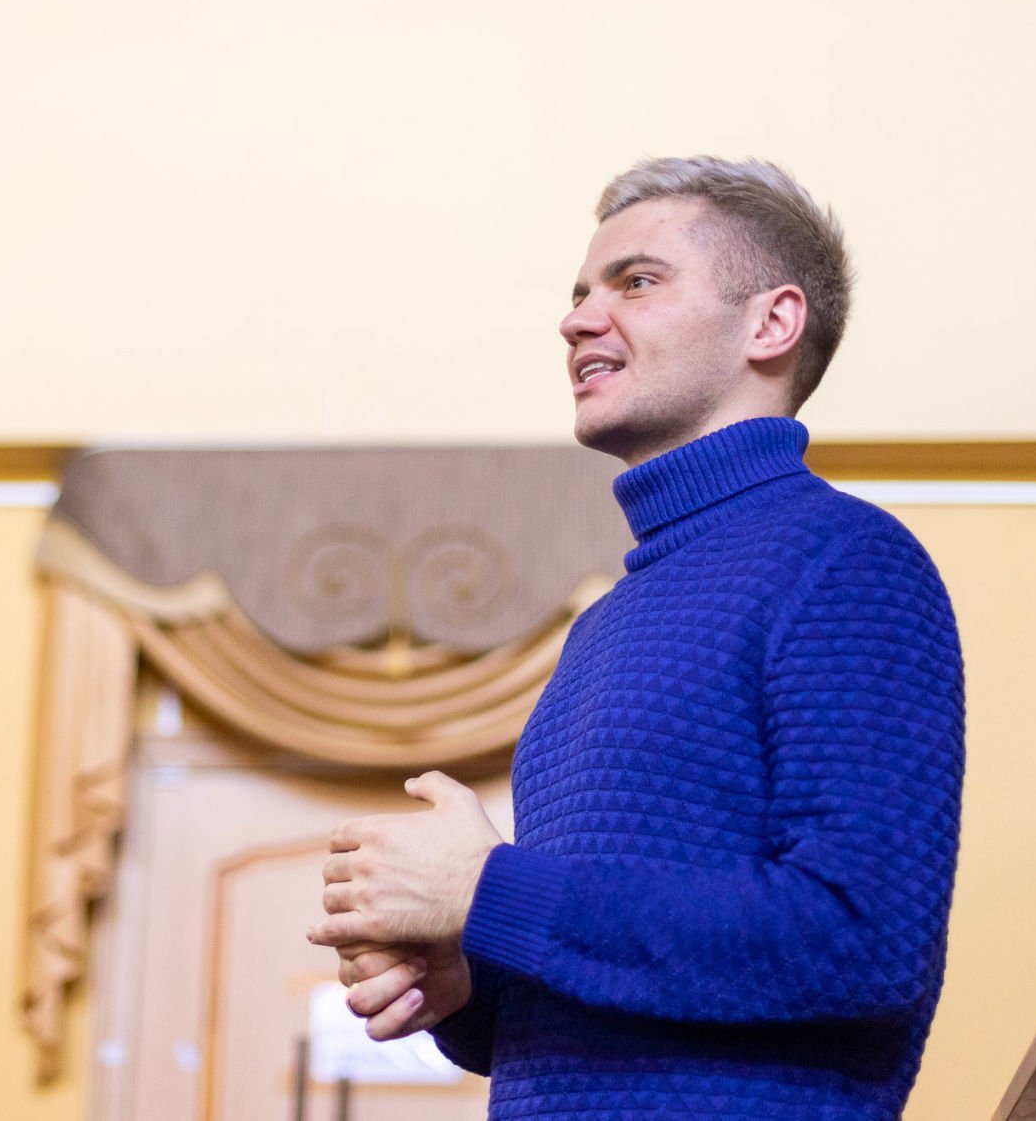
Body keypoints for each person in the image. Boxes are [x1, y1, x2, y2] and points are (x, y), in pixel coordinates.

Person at [307, 156, 965, 1120]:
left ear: (771, 324)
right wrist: (470, 987)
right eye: (579, 294)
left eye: (637, 282)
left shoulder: (847, 560)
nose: (577, 320)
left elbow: (861, 941)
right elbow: (605, 1005)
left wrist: (492, 892)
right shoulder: (605, 625)